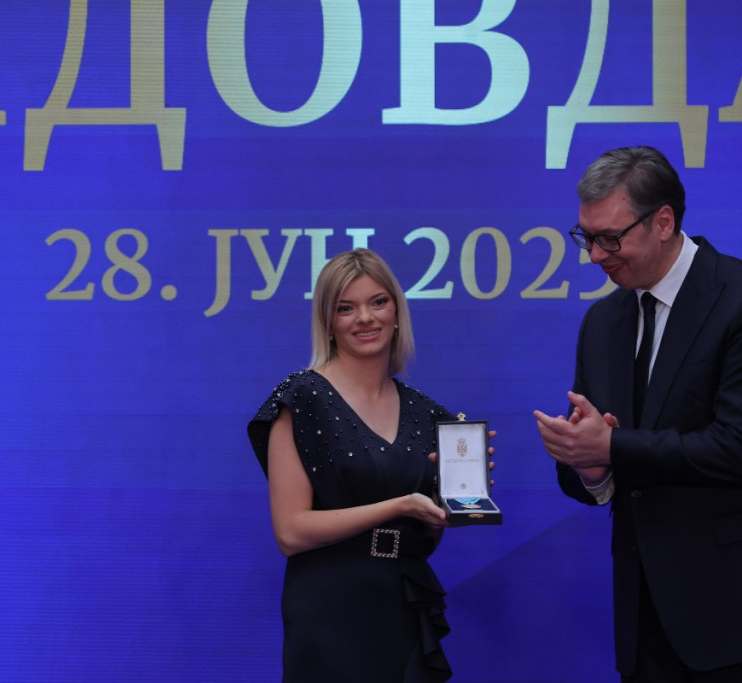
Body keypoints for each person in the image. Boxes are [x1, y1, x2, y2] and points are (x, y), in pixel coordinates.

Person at [534, 145, 742, 681]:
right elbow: (591, 473)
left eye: (610, 238)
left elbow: (733, 446)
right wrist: (590, 467)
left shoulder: (735, 299)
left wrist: (612, 446)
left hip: (727, 612)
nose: (594, 256)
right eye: (586, 237)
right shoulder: (603, 323)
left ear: (663, 222)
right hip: (641, 617)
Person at [248, 248, 491, 682]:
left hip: (403, 598)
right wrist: (400, 505)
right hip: (328, 607)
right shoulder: (301, 399)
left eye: (378, 302)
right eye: (346, 308)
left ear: (396, 312)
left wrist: (449, 503)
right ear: (328, 321)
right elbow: (290, 532)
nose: (365, 318)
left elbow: (426, 537)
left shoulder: (427, 414)